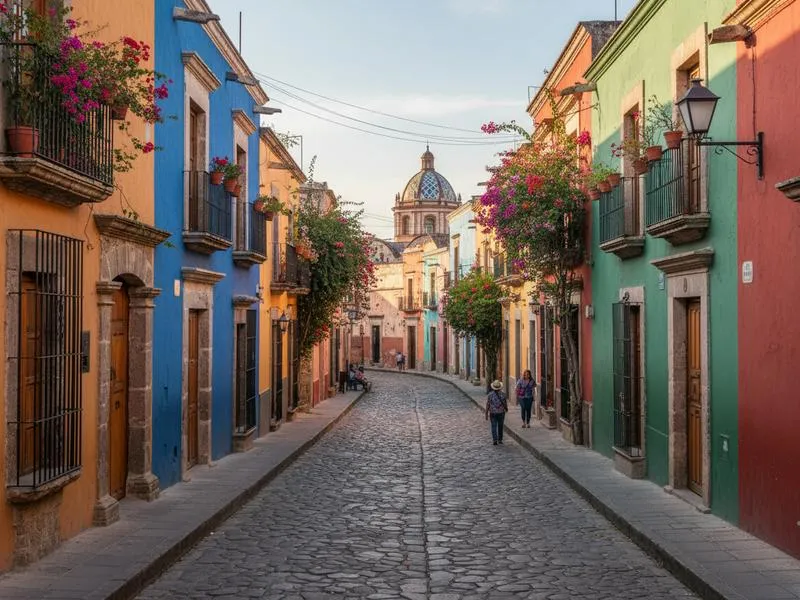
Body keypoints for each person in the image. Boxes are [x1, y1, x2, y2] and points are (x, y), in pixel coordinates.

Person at [485, 380, 508, 445]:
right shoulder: (503, 394)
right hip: (501, 412)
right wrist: (506, 409)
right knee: (500, 426)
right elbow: (505, 403)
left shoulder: (490, 395)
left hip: (493, 413)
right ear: (500, 387)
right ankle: (500, 439)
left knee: (493, 426)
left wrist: (486, 413)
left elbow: (488, 404)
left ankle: (495, 440)